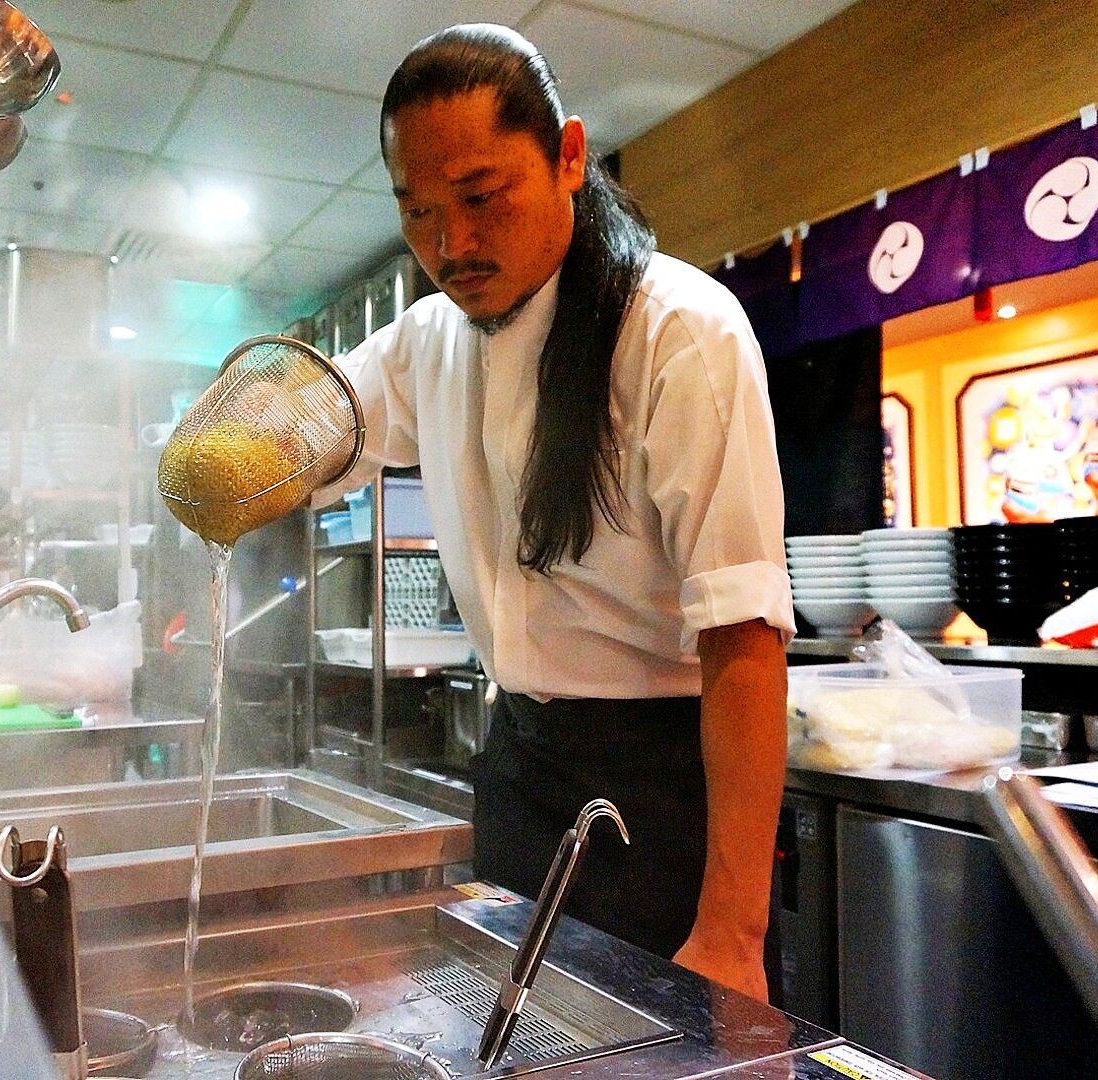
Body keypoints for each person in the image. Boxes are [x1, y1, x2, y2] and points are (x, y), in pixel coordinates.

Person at [316, 23, 792, 1002]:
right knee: (518, 1045)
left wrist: (732, 933)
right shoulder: (428, 342)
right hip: (520, 772)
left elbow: (743, 636)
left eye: (482, 198)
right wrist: (217, 455)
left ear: (567, 155)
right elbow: (308, 436)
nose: (450, 245)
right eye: (418, 213)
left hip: (659, 795)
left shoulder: (678, 333)